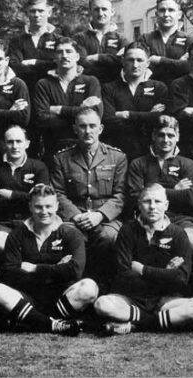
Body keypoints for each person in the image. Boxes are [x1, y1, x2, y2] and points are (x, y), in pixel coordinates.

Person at [93, 184, 193, 334]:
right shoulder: (127, 230)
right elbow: (123, 274)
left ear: (166, 205)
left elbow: (181, 278)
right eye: (147, 201)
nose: (152, 207)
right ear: (139, 204)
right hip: (131, 298)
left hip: (165, 299)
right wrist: (166, 272)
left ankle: (136, 324)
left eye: (157, 201)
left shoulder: (178, 234)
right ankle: (154, 322)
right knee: (102, 304)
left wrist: (142, 269)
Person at [0, 184, 96, 336]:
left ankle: (32, 321)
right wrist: (57, 269)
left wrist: (34, 268)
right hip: (27, 296)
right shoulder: (17, 234)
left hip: (60, 296)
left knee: (90, 287)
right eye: (38, 207)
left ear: (57, 206)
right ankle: (52, 324)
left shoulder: (71, 233)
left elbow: (75, 271)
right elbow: (9, 273)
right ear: (30, 207)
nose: (44, 212)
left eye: (48, 206)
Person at [51, 107, 127, 283]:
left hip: (106, 218)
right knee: (68, 236)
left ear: (100, 129)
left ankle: (102, 285)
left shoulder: (117, 157)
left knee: (108, 238)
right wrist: (76, 216)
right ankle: (72, 285)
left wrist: (99, 215)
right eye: (83, 126)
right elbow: (58, 193)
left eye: (92, 126)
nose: (88, 131)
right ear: (75, 129)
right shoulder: (62, 158)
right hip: (73, 216)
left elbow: (121, 194)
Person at [126, 116, 193, 250]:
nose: (166, 140)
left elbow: (189, 198)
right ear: (154, 136)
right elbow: (135, 197)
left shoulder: (188, 164)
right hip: (147, 216)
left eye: (170, 135)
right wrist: (174, 189)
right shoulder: (138, 163)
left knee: (191, 240)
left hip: (180, 218)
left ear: (177, 137)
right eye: (161, 135)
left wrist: (150, 191)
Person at [0, 126, 50, 251]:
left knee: (38, 249)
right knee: (4, 247)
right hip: (3, 223)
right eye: (10, 142)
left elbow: (42, 199)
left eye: (19, 141)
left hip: (33, 223)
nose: (15, 146)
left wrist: (12, 194)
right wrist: (28, 196)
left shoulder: (39, 167)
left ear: (27, 144)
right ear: (4, 144)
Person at [33, 37, 103, 159]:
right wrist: (80, 110)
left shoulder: (91, 82)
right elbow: (41, 119)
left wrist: (59, 109)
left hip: (84, 149)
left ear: (77, 56)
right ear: (55, 57)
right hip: (53, 148)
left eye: (69, 51)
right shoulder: (43, 84)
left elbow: (95, 115)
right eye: (60, 52)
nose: (64, 56)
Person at [102, 42, 168, 159]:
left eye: (140, 60)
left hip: (150, 153)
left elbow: (159, 120)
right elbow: (108, 121)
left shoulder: (159, 87)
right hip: (117, 151)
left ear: (147, 63)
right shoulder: (109, 88)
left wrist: (126, 114)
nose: (135, 64)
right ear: (123, 61)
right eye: (130, 60)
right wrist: (148, 115)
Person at [137, 0, 193, 84]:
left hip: (180, 91)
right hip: (152, 91)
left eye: (171, 10)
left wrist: (159, 60)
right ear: (156, 14)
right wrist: (178, 64)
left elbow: (190, 66)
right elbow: (140, 66)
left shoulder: (189, 40)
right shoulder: (145, 38)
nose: (166, 14)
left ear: (179, 14)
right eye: (162, 10)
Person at [8, 0, 62, 90]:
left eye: (41, 11)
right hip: (25, 89)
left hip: (52, 89)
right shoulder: (16, 40)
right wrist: (47, 66)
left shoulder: (59, 40)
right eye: (33, 11)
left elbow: (59, 64)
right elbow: (15, 66)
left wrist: (35, 62)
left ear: (49, 12)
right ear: (27, 13)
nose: (36, 15)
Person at [73, 0, 129, 83]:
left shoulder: (121, 39)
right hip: (87, 88)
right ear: (90, 12)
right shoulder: (79, 38)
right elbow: (83, 61)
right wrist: (111, 61)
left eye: (104, 9)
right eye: (96, 9)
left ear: (112, 11)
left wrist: (98, 57)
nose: (100, 13)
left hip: (114, 88)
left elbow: (123, 61)